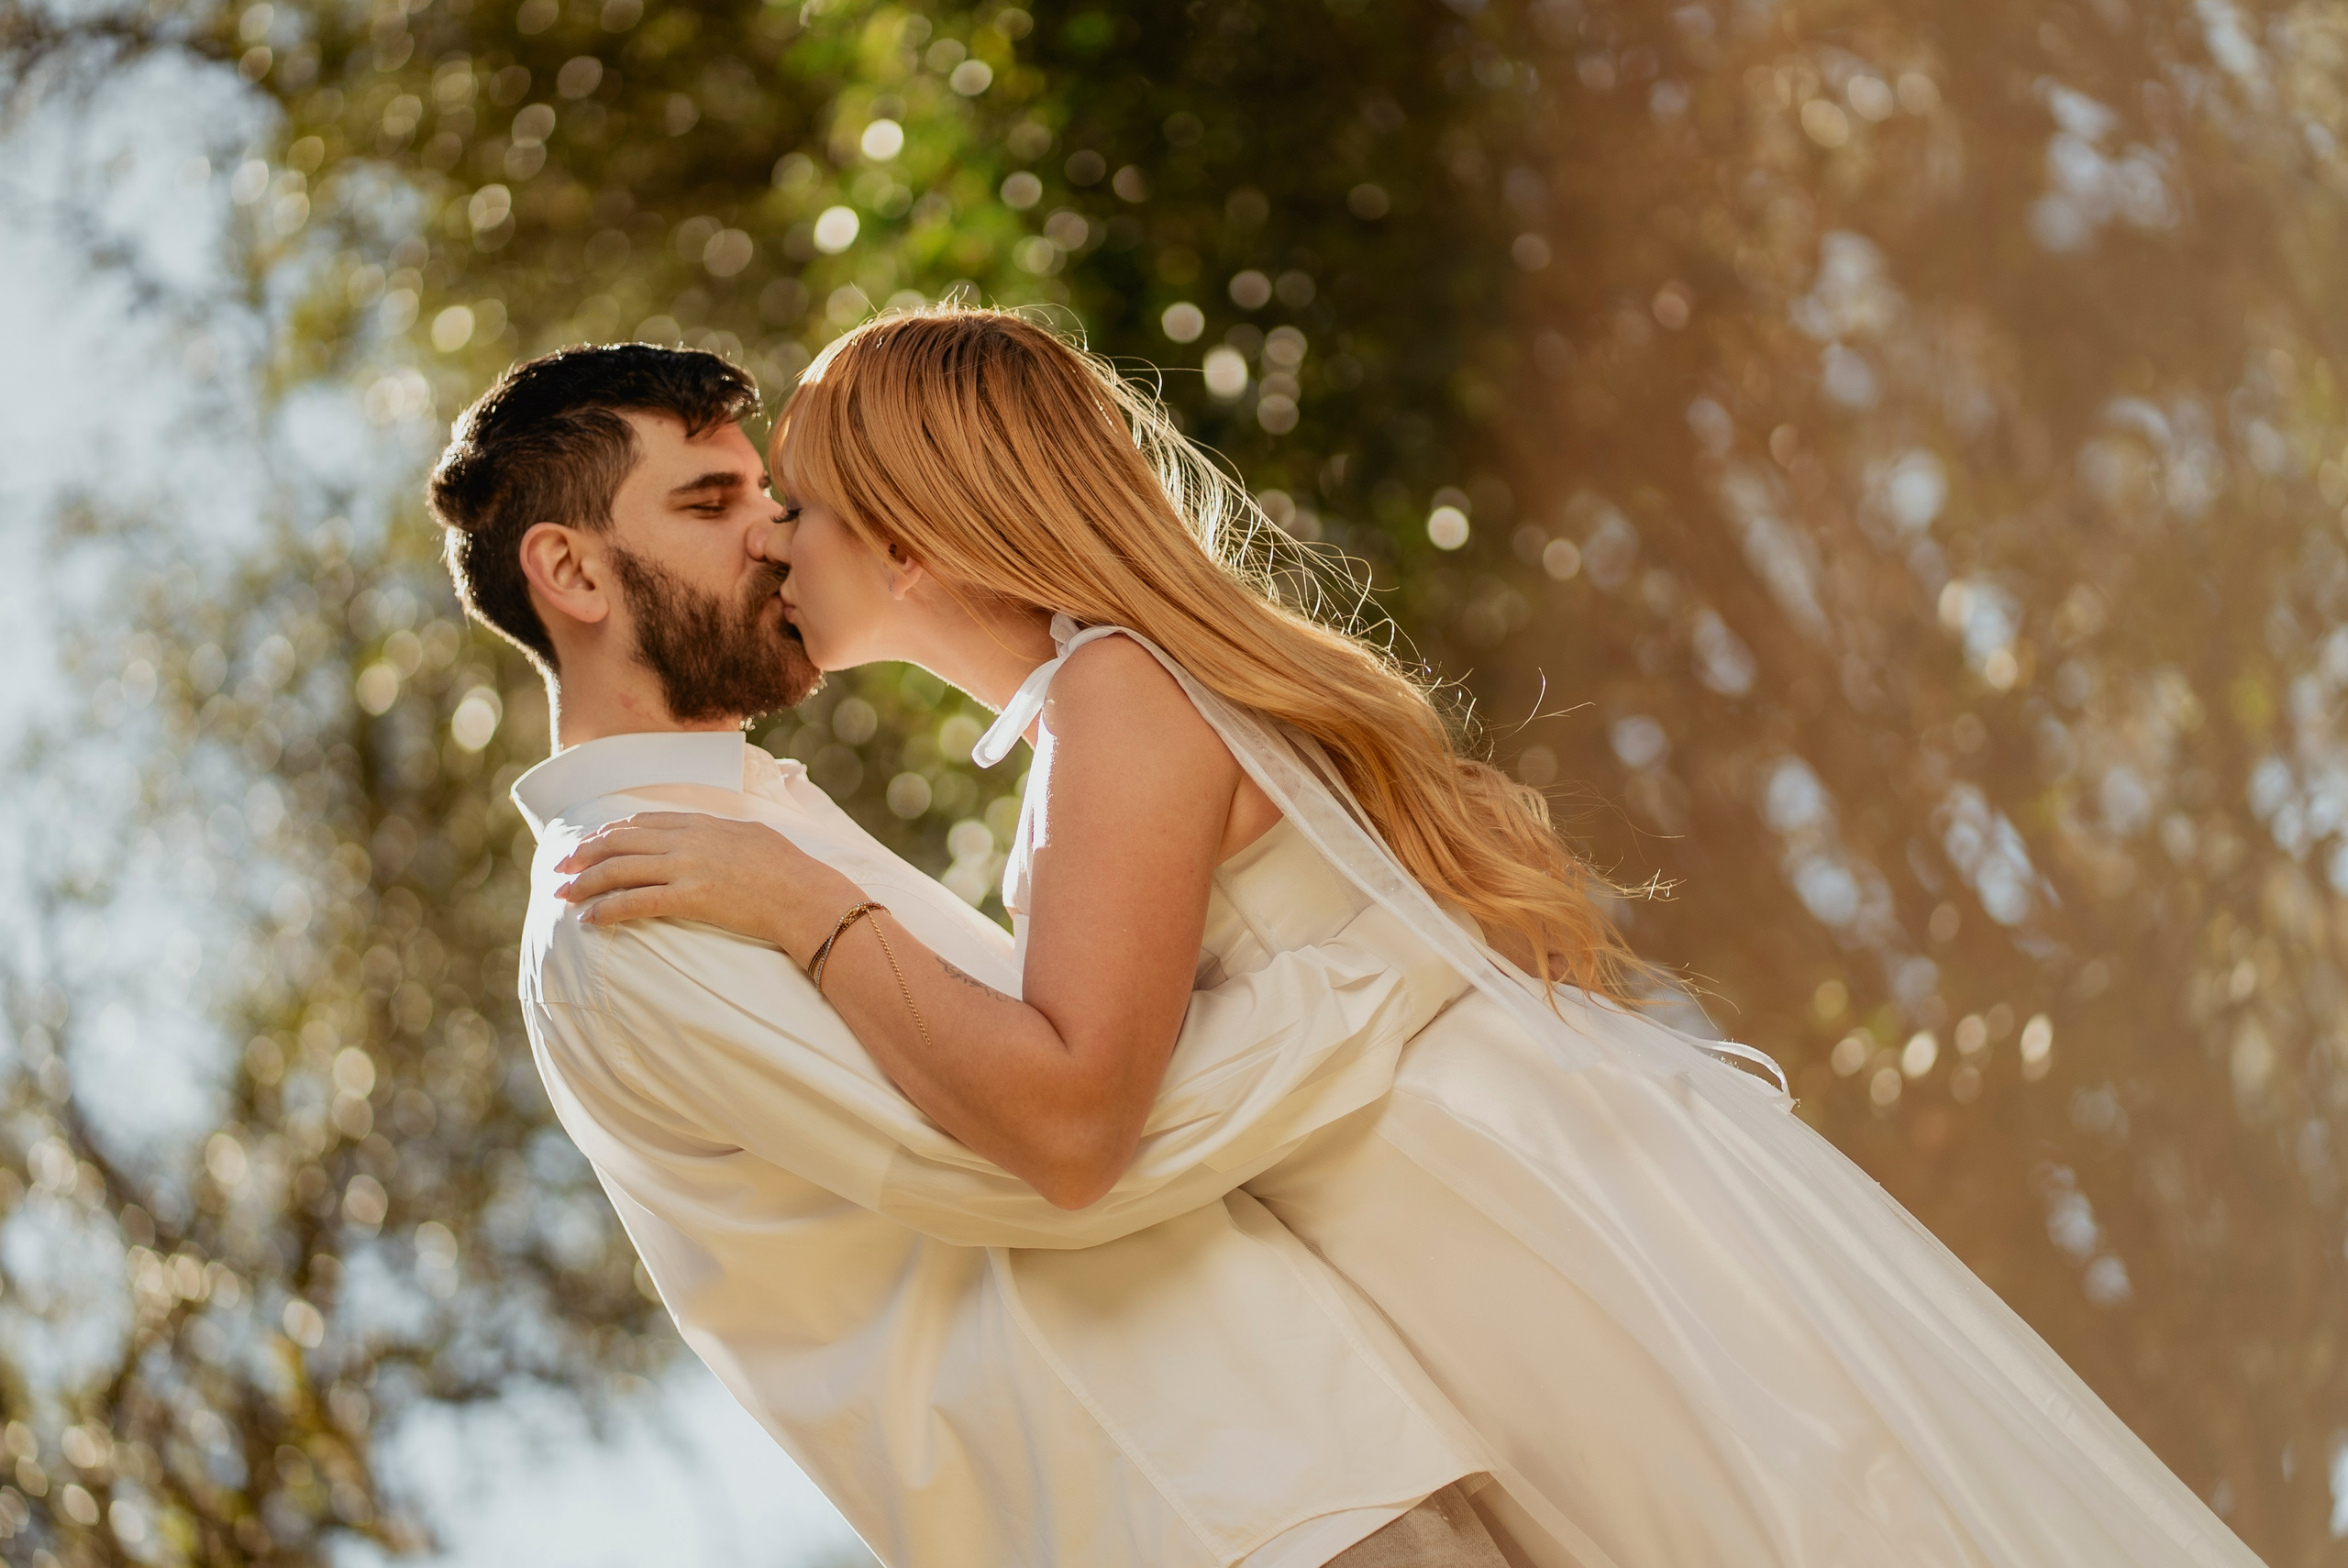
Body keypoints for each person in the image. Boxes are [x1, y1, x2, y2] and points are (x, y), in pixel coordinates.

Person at [558, 306, 2266, 1568]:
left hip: (1500, 1219)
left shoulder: (1115, 699)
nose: (772, 539)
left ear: (917, 538)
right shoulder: (1110, 706)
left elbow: (1079, 1104)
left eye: (796, 503)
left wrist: (805, 903)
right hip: (1496, 1195)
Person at [430, 342, 1519, 1568]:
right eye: (711, 502)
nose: (776, 536)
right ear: (571, 568)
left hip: (1308, 1459)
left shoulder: (744, 833)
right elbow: (1064, 1140)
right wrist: (1388, 969)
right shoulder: (630, 910)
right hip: (1211, 1509)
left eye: (768, 497)